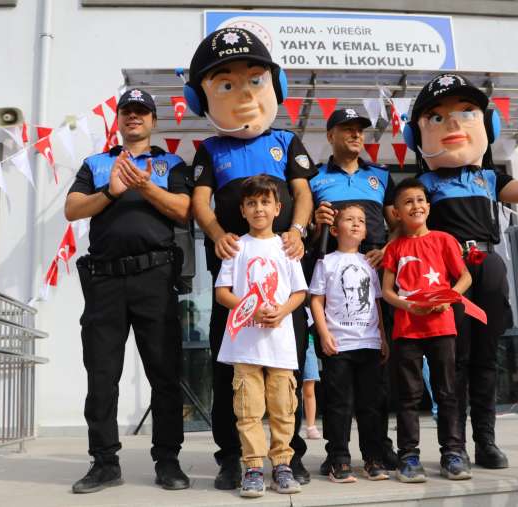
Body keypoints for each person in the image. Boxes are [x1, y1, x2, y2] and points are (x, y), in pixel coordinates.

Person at [404, 73, 518, 469]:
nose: (453, 124)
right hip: (445, 273)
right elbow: (402, 221)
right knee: (450, 360)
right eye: (438, 117)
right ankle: (453, 447)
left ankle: (486, 442)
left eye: (465, 112)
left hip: (487, 266)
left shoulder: (488, 176)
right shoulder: (422, 183)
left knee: (485, 359)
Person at [188, 27, 316, 488]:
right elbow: (200, 200)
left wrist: (299, 230)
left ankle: (289, 457)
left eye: (254, 79)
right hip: (234, 286)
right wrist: (219, 232)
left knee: (287, 369)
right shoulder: (209, 149)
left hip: (283, 285)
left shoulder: (287, 141)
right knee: (231, 372)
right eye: (226, 83)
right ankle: (233, 457)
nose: (242, 93)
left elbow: (302, 191)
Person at [65, 88, 192, 493]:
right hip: (104, 282)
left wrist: (144, 185)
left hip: (154, 278)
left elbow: (185, 210)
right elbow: (72, 209)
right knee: (102, 375)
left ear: (154, 121)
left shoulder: (169, 163)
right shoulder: (97, 163)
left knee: (164, 373)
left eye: (142, 112)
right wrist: (111, 191)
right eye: (127, 112)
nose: (134, 117)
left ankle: (168, 461)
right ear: (118, 120)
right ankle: (104, 462)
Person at [308, 108, 399, 472]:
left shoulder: (380, 176)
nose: (356, 135)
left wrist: (389, 249)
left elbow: (398, 225)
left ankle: (379, 449)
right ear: (330, 135)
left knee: (376, 384)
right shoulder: (314, 178)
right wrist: (315, 224)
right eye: (347, 129)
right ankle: (338, 455)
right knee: (338, 389)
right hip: (332, 290)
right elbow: (312, 235)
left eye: (360, 129)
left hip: (377, 284)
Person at [214, 175, 308, 498]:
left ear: (278, 207)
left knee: (283, 406)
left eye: (265, 202)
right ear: (242, 209)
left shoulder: (286, 246)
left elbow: (299, 292)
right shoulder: (236, 246)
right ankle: (252, 467)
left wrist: (282, 311)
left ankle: (282, 463)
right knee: (248, 407)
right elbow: (221, 293)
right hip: (245, 345)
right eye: (251, 203)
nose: (258, 209)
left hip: (280, 344)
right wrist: (248, 309)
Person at [381, 178, 473, 482]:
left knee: (447, 392)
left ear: (428, 206)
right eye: (407, 202)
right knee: (408, 395)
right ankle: (408, 456)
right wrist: (408, 307)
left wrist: (449, 299)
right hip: (407, 329)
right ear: (396, 212)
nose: (415, 206)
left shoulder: (445, 240)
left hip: (442, 327)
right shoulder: (394, 247)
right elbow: (388, 290)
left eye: (420, 200)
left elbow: (464, 277)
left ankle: (453, 453)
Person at [310, 204, 390, 483]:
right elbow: (316, 301)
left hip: (368, 343)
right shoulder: (326, 262)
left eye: (361, 221)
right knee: (339, 405)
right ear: (334, 229)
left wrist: (382, 336)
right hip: (339, 345)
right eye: (349, 220)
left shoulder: (370, 262)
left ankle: (372, 458)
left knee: (370, 404)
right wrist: (323, 334)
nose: (356, 224)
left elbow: (377, 302)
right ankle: (339, 459)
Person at [302, 335, 322, 439]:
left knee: (309, 388)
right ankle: (289, 426)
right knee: (289, 388)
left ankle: (311, 426)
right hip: (289, 342)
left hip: (309, 342)